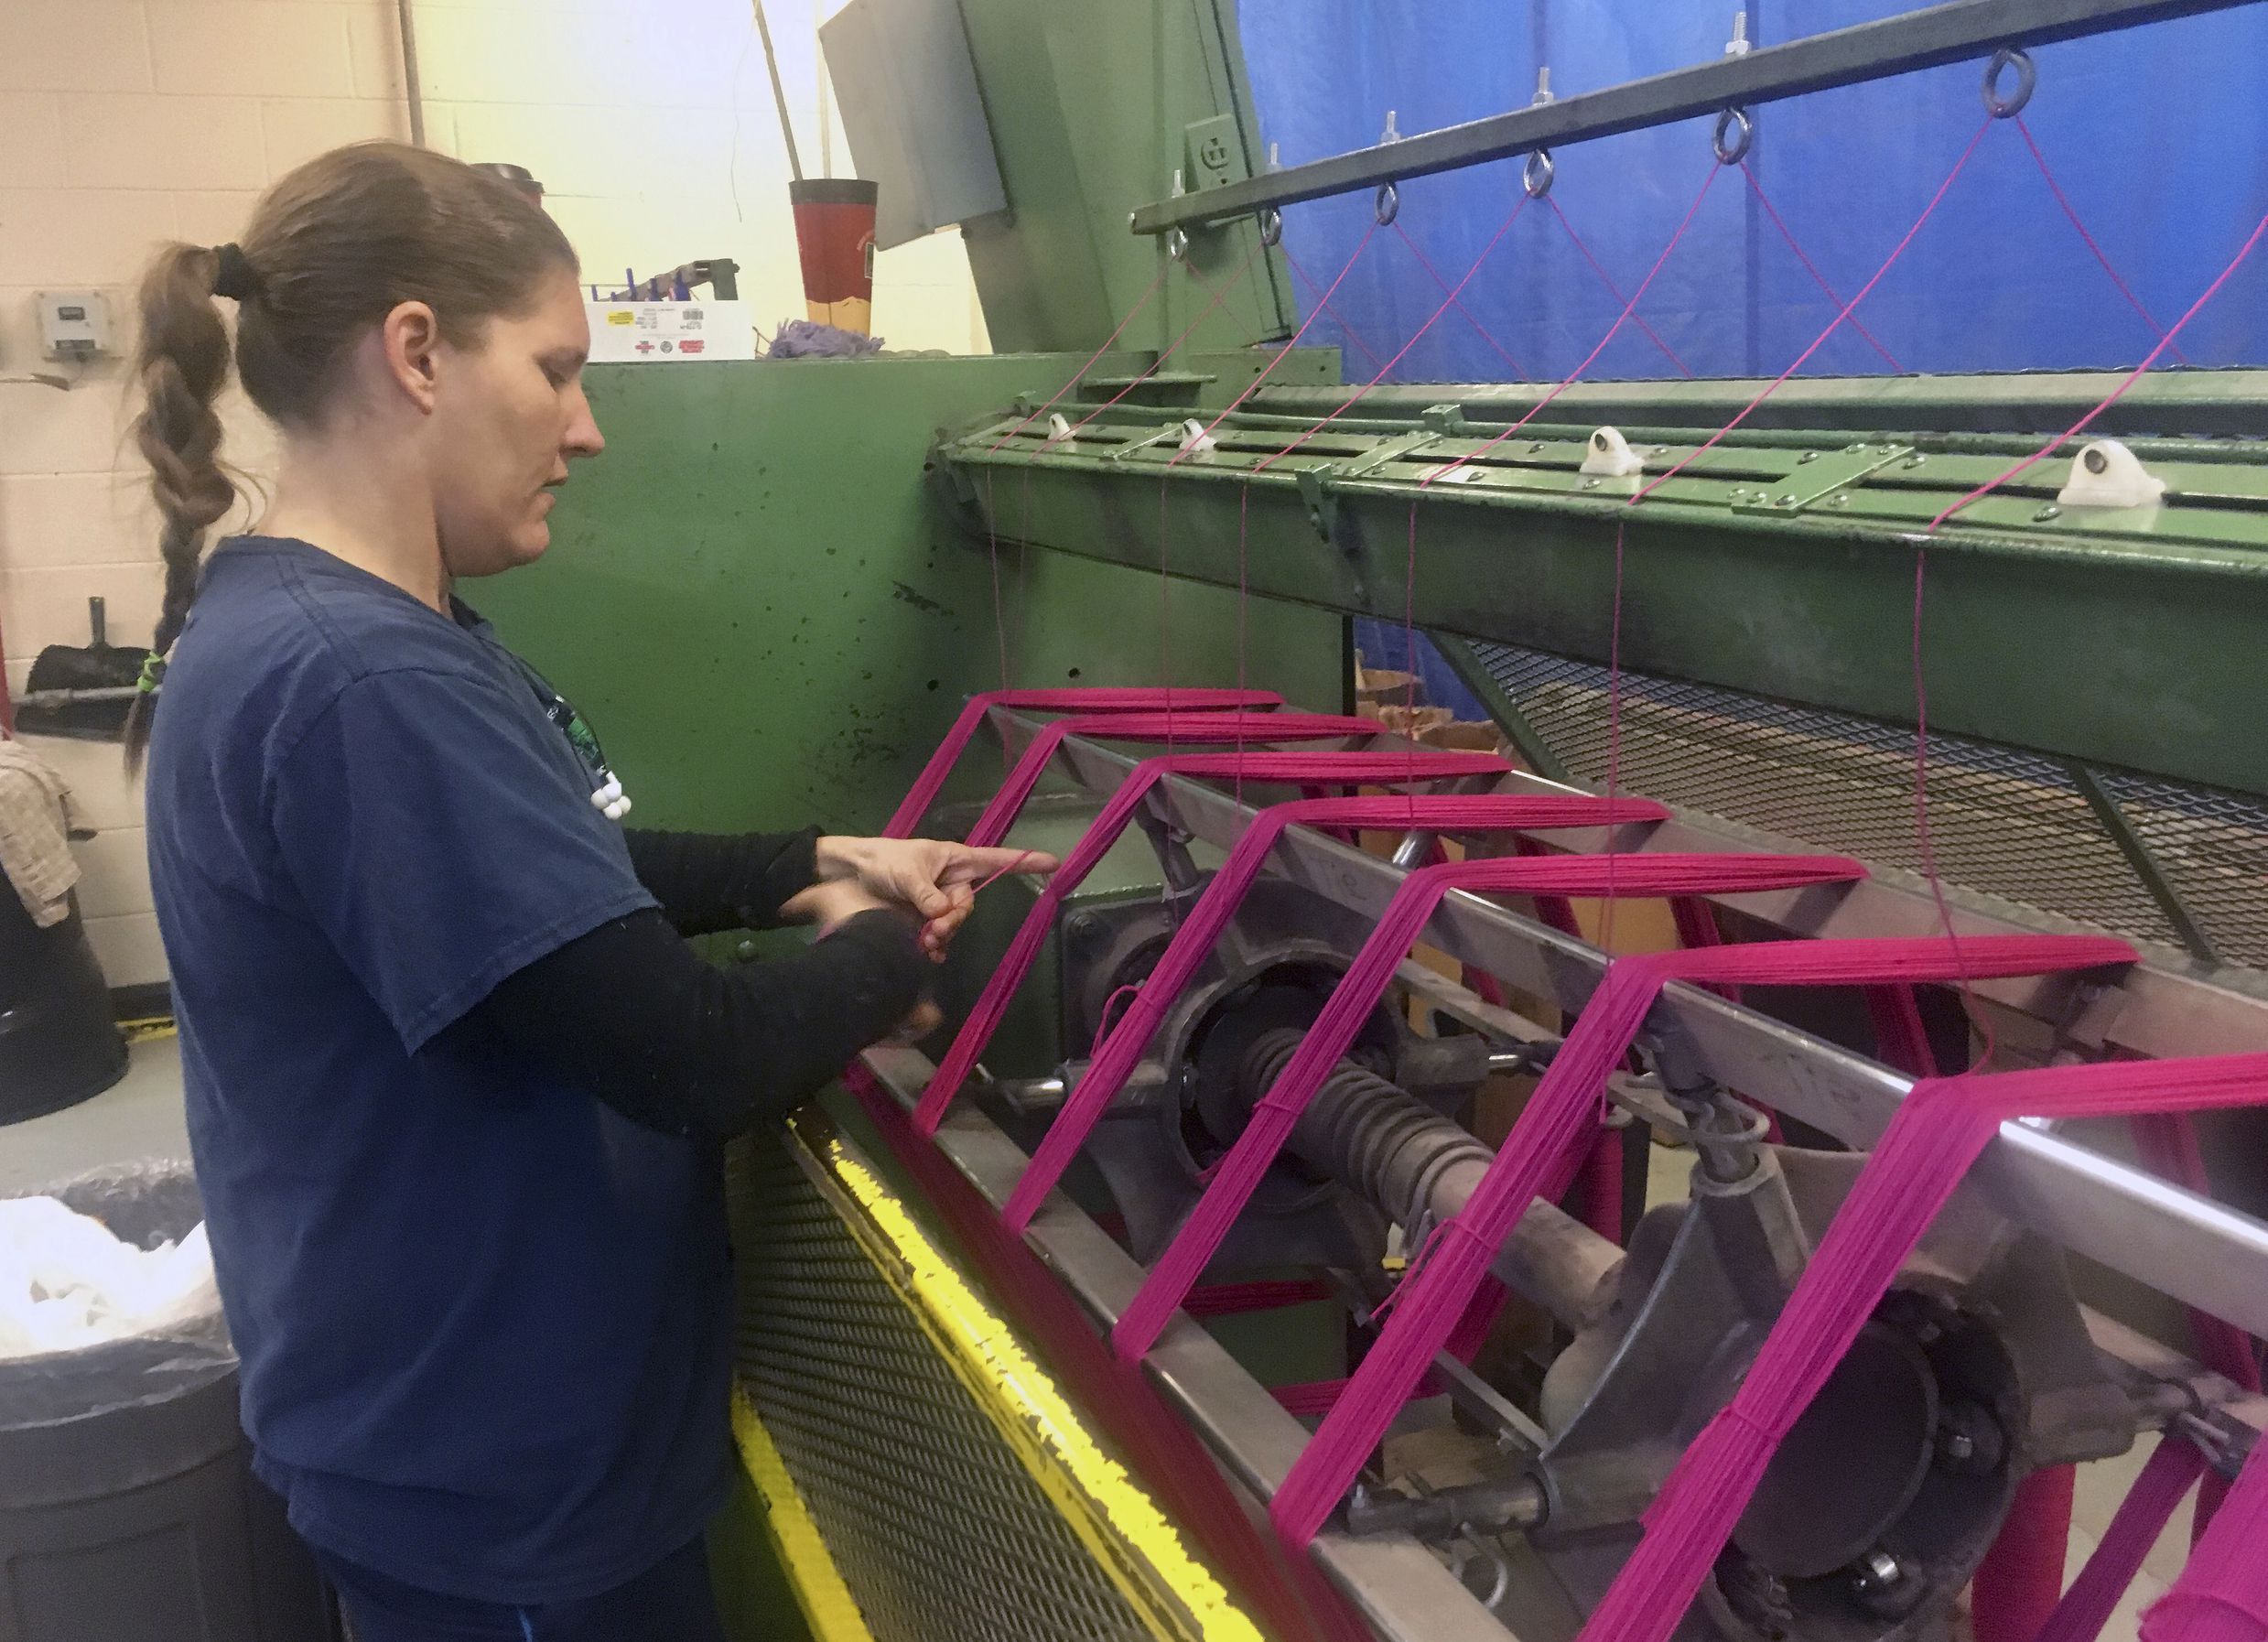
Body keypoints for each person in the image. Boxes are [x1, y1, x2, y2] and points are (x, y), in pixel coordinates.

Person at [129, 142, 1050, 1642]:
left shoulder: (346, 625)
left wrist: (810, 861)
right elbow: (686, 1051)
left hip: (471, 1442)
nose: (589, 428)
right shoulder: (363, 680)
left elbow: (545, 887)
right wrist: (886, 950)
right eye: (558, 371)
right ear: (416, 351)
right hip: (501, 1497)